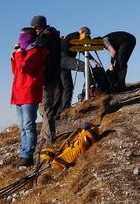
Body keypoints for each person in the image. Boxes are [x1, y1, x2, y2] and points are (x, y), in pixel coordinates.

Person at [11, 27, 47, 167]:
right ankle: (23, 153)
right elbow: (16, 71)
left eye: (22, 38)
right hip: (19, 93)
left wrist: (19, 53)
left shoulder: (36, 51)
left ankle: (28, 154)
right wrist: (14, 56)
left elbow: (24, 68)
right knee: (22, 126)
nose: (20, 41)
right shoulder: (26, 52)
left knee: (28, 125)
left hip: (29, 92)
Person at [31, 15, 61, 144]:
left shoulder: (45, 36)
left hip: (46, 76)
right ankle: (45, 135)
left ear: (41, 26)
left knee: (45, 107)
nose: (35, 30)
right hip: (53, 75)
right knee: (45, 107)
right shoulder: (53, 34)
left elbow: (37, 50)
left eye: (36, 28)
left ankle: (48, 138)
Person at [60, 29, 88, 108]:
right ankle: (88, 87)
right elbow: (82, 48)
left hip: (60, 61)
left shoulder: (70, 36)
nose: (87, 37)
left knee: (68, 86)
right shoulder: (75, 35)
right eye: (87, 34)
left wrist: (93, 60)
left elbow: (82, 50)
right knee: (85, 66)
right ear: (82, 32)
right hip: (65, 58)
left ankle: (64, 108)